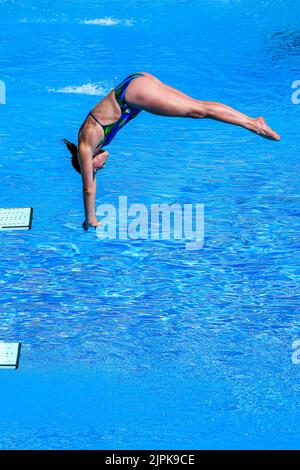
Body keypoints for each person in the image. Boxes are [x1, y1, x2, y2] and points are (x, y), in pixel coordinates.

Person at [64, 72, 280, 230]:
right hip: (136, 82)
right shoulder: (94, 142)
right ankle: (251, 122)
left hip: (134, 93)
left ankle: (253, 124)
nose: (101, 169)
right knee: (198, 106)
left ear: (87, 163)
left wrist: (89, 219)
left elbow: (88, 189)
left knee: (199, 111)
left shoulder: (85, 145)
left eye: (96, 170)